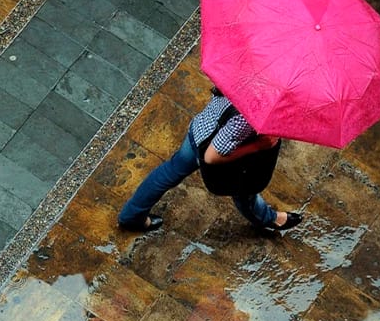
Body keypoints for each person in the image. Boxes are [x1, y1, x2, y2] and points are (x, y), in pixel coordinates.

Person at [118, 88, 302, 233]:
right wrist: (258, 146)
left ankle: (131, 216)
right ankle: (268, 218)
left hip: (199, 131)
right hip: (212, 147)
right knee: (244, 190)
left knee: (169, 171)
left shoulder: (243, 74)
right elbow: (212, 156)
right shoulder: (249, 116)